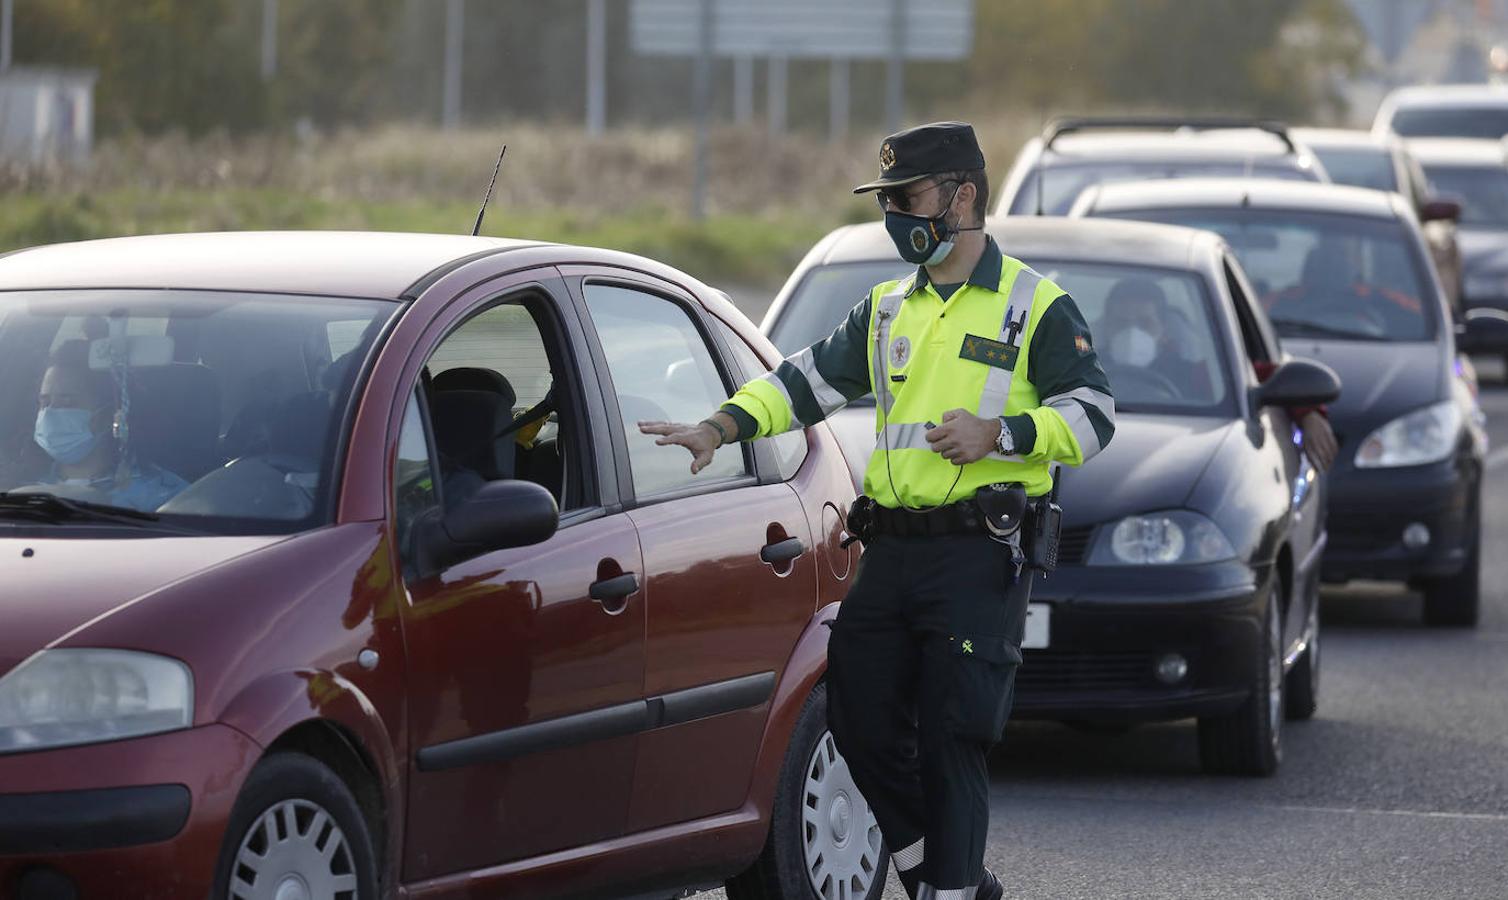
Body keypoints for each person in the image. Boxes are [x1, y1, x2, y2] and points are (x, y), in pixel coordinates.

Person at [641, 122, 1115, 900]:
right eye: (885, 200)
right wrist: (718, 427)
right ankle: (940, 869)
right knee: (856, 717)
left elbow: (1095, 414)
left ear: (962, 196)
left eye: (906, 197)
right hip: (891, 551)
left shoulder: (1034, 306)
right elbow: (801, 383)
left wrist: (1004, 434)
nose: (893, 214)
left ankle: (949, 890)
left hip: (978, 554)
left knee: (954, 735)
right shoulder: (889, 307)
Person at [30, 357, 187, 512]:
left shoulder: (163, 494)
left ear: (110, 413)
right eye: (44, 402)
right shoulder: (19, 485)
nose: (49, 412)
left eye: (67, 402)